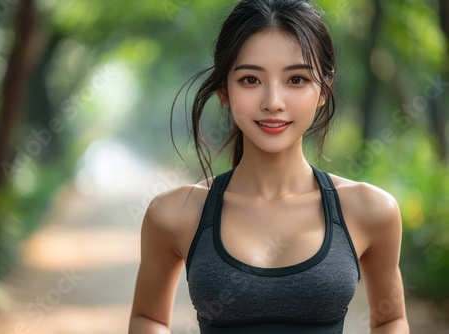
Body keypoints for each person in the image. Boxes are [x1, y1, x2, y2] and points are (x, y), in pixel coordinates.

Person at [129, 0, 409, 333]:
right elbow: (150, 318)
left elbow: (390, 319)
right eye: (250, 79)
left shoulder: (371, 210)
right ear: (224, 90)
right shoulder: (175, 214)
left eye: (296, 79)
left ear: (324, 89)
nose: (273, 102)